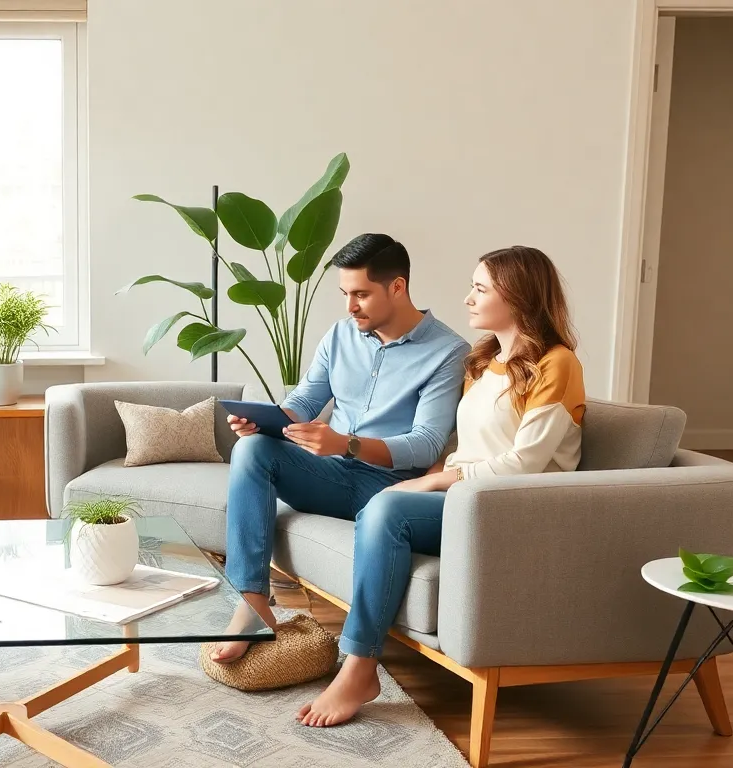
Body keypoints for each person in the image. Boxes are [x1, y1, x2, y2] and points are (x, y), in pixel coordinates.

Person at [296, 245, 586, 727]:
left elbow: (524, 464)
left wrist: (436, 480)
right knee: (382, 505)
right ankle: (359, 664)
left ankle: (359, 666)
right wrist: (431, 478)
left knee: (387, 510)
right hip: (468, 501)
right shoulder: (483, 362)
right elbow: (463, 446)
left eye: (480, 288)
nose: (467, 299)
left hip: (514, 507)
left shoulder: (557, 365)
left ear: (516, 297)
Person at [210, 233, 470, 660]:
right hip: (330, 476)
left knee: (277, 454)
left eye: (361, 294)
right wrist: (266, 422)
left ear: (398, 287)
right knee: (253, 450)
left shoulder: (447, 352)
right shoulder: (339, 335)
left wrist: (346, 444)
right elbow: (306, 400)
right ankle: (254, 601)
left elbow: (425, 444)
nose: (350, 306)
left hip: (388, 489)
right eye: (345, 293)